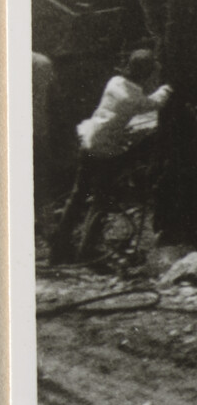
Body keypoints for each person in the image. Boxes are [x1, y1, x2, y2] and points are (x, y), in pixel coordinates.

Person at [50, 49, 172, 264]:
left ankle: (59, 248)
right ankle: (87, 249)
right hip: (105, 151)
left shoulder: (115, 82)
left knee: (78, 196)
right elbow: (155, 103)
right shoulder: (133, 98)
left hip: (89, 140)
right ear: (147, 74)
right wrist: (167, 87)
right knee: (102, 198)